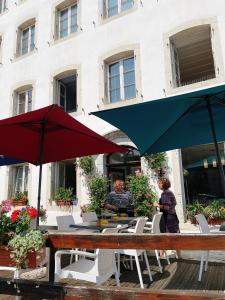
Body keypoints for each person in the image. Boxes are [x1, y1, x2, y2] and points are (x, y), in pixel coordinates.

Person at [153, 177, 180, 257]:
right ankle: (179, 255)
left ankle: (161, 255)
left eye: (159, 183)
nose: (158, 185)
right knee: (175, 236)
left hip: (168, 218)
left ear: (163, 184)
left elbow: (166, 207)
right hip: (173, 216)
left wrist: (157, 205)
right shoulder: (170, 192)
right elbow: (173, 204)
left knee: (163, 236)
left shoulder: (165, 194)